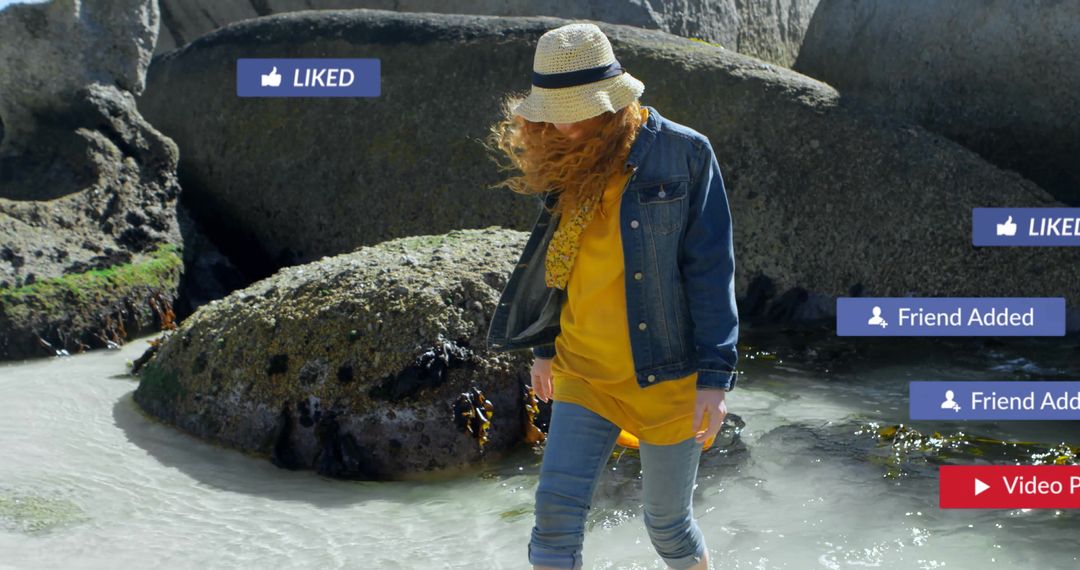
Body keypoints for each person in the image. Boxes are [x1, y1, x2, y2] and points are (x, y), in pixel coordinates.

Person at [484, 22, 739, 570]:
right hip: (584, 371)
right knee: (553, 516)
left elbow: (711, 273)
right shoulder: (560, 152)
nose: (567, 123)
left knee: (667, 526)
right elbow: (561, 265)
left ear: (613, 97)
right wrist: (544, 349)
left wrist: (715, 380)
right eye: (556, 108)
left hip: (668, 377)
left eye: (579, 107)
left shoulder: (685, 155)